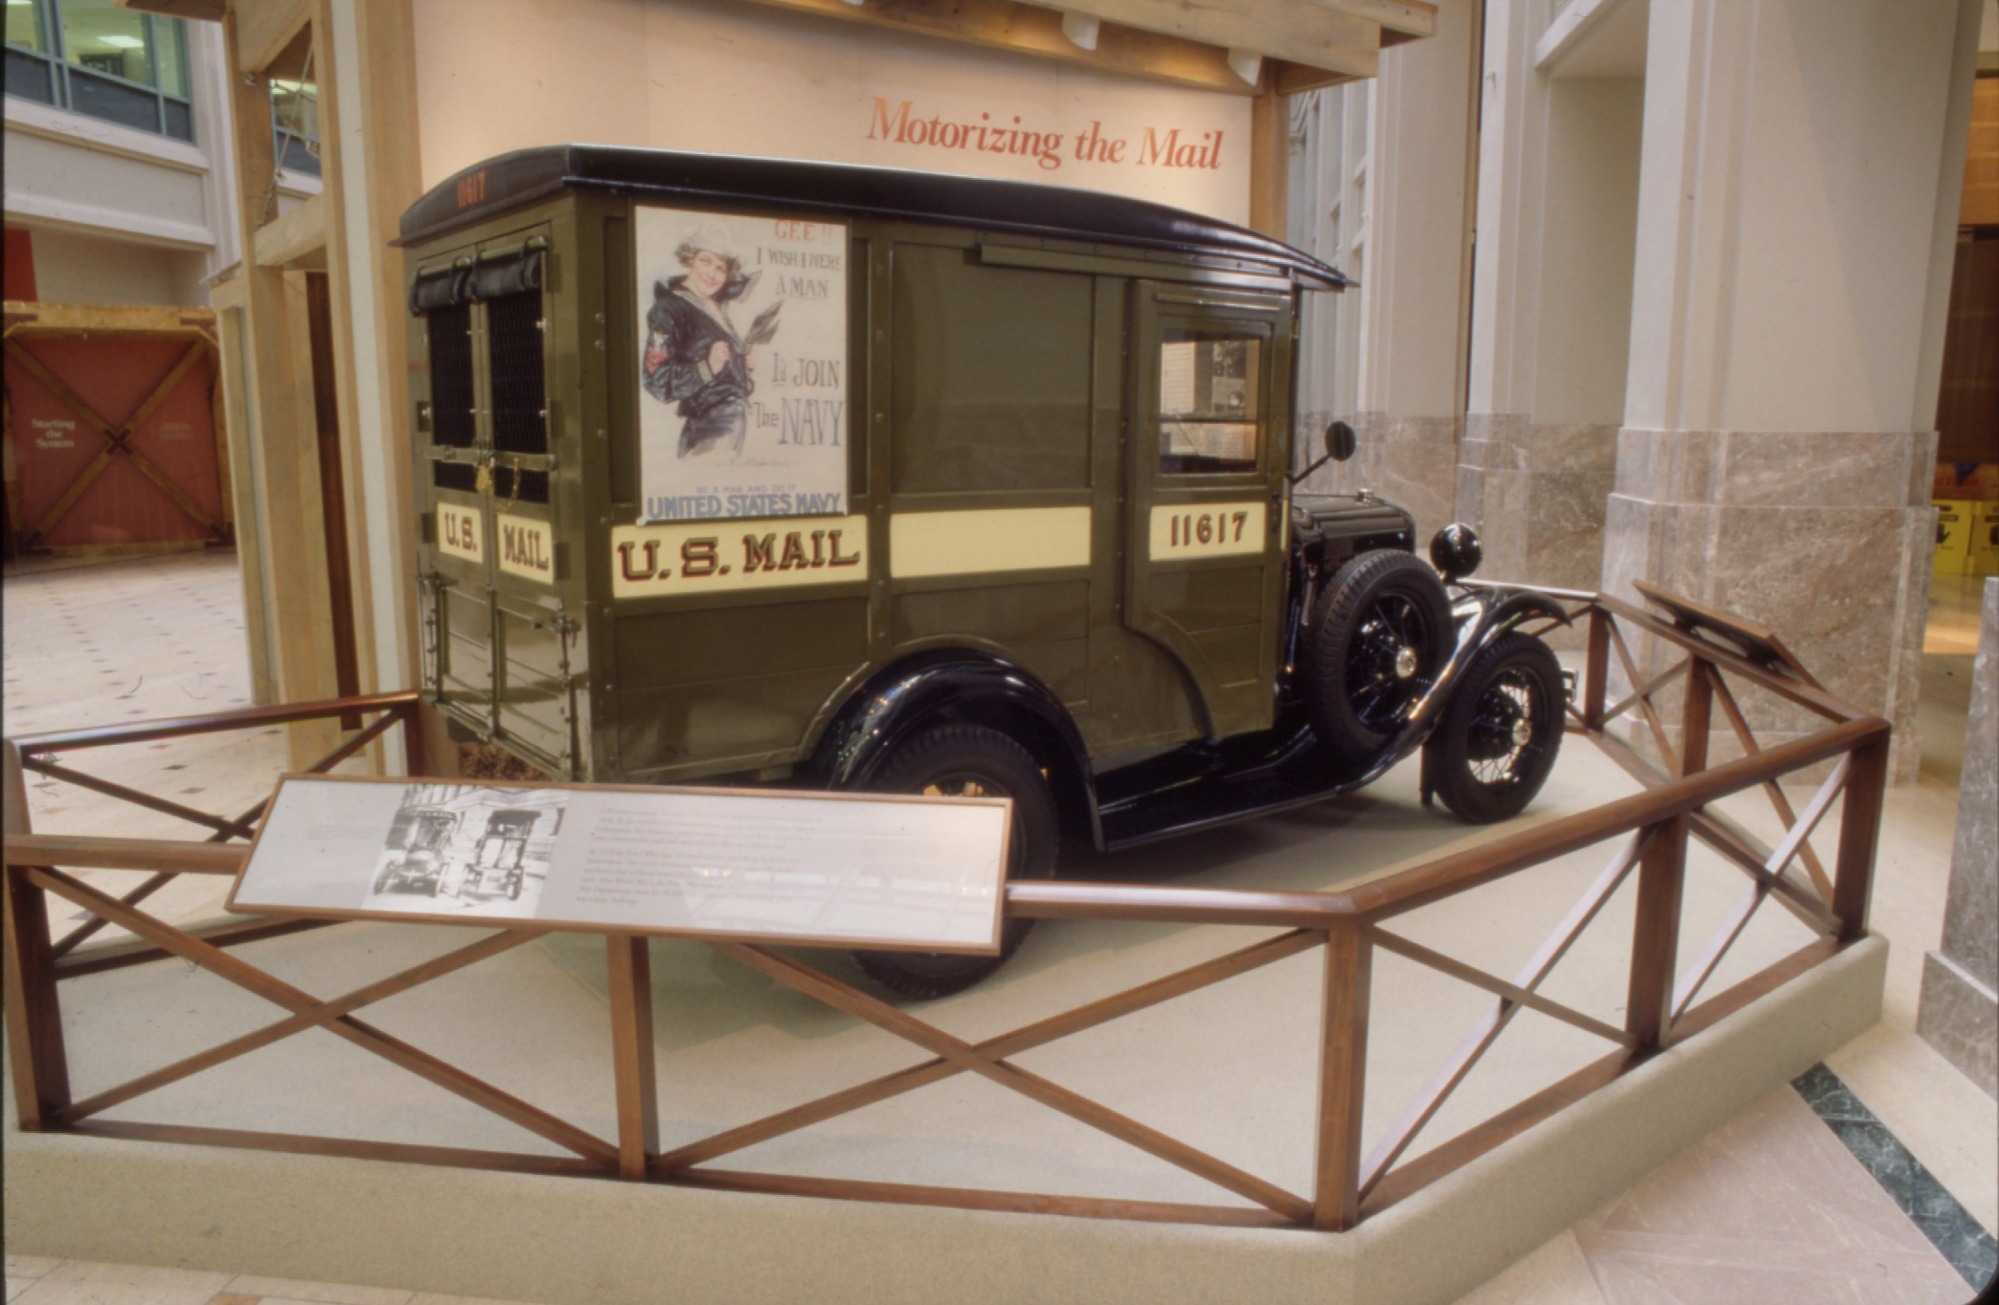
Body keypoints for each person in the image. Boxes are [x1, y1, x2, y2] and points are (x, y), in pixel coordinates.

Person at [642, 227, 760, 457]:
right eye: (705, 261)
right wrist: (708, 367)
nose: (712, 274)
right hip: (709, 425)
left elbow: (725, 380)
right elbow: (656, 379)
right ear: (690, 260)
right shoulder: (669, 308)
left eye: (721, 268)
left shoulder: (715, 305)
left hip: (729, 421)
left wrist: (743, 365)